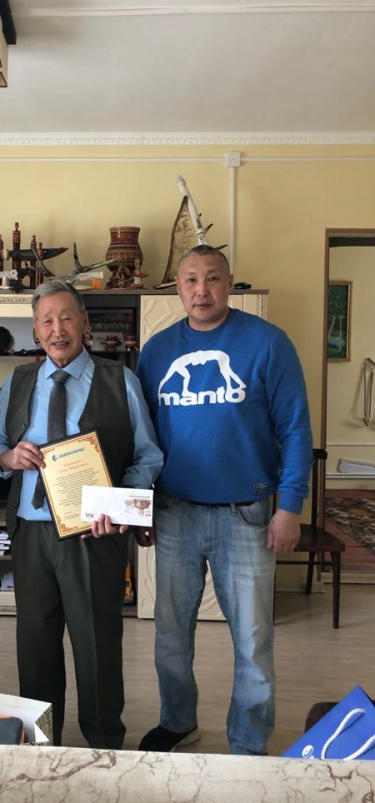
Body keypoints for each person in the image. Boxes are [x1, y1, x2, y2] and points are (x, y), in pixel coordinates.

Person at [135, 245, 313, 756]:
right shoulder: (158, 351)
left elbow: (295, 430)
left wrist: (290, 506)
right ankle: (177, 721)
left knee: (253, 639)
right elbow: (141, 439)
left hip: (247, 515)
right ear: (178, 288)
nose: (202, 290)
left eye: (212, 278)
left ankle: (249, 742)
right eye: (191, 279)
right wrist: (139, 506)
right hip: (174, 513)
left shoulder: (268, 343)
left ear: (229, 283)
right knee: (171, 634)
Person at [0, 279, 163, 749]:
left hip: (93, 535)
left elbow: (147, 455)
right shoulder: (18, 381)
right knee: (35, 646)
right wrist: (8, 457)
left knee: (97, 644)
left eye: (66, 317)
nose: (57, 329)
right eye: (46, 320)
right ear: (35, 330)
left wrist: (120, 501)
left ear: (85, 323)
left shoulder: (120, 380)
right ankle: (42, 745)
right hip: (31, 535)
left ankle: (104, 744)